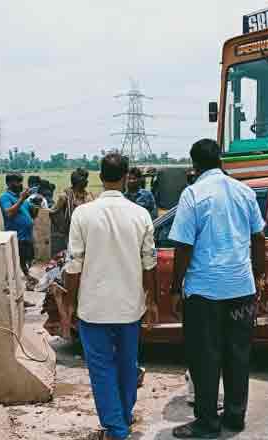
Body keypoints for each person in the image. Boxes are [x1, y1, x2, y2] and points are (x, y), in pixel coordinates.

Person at [168, 139, 266, 438]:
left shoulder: (193, 194)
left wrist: (175, 288)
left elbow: (183, 246)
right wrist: (259, 276)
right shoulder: (244, 191)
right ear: (221, 160)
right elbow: (259, 237)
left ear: (194, 165)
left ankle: (207, 422)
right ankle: (235, 416)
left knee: (205, 357)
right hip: (241, 288)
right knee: (238, 353)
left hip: (205, 292)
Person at [63, 153, 158, 440]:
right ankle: (123, 417)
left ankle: (117, 429)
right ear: (127, 176)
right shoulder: (140, 214)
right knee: (128, 364)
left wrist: (69, 304)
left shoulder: (83, 214)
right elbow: (149, 264)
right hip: (130, 307)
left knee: (101, 369)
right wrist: (151, 301)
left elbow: (73, 266)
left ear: (100, 177)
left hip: (94, 308)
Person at [0, 173, 38, 284]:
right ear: (9, 183)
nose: (20, 184)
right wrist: (21, 199)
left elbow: (32, 215)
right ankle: (21, 280)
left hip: (27, 236)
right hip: (17, 236)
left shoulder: (22, 198)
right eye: (17, 182)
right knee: (18, 260)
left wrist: (37, 205)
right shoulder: (5, 197)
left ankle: (27, 277)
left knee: (28, 259)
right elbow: (9, 214)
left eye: (21, 181)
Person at [50, 168, 95, 256]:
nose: (86, 181)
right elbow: (53, 212)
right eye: (84, 179)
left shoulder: (88, 196)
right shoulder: (64, 196)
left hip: (86, 234)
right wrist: (62, 228)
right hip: (69, 234)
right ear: (77, 181)